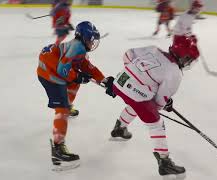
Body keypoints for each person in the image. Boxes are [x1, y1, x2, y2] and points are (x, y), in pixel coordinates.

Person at [102, 35, 200, 178]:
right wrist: (158, 105)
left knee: (136, 105)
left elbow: (128, 55)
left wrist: (133, 75)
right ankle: (164, 162)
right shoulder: (175, 73)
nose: (188, 62)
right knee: (156, 123)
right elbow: (159, 102)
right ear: (182, 56)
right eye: (188, 58)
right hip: (136, 94)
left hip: (119, 81)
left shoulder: (154, 49)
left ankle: (119, 128)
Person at [37, 21, 106, 170]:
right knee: (62, 108)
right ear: (83, 37)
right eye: (90, 39)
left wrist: (103, 79)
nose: (92, 42)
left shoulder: (79, 47)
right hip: (49, 74)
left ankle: (68, 105)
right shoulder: (77, 47)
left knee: (75, 83)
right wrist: (77, 76)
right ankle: (58, 148)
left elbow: (87, 67)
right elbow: (62, 70)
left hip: (53, 66)